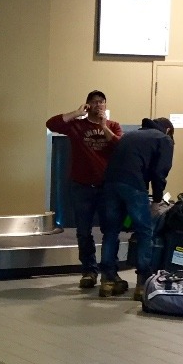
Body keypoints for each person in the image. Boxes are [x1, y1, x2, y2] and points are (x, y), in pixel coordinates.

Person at [46, 91, 122, 289]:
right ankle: (89, 271)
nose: (99, 106)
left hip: (107, 188)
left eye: (102, 102)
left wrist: (104, 127)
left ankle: (109, 271)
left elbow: (120, 147)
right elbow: (51, 124)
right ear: (88, 105)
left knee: (110, 231)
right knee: (83, 231)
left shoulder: (113, 126)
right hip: (81, 187)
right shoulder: (77, 126)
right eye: (95, 102)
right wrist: (76, 113)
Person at [98, 117, 175, 299]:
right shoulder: (164, 139)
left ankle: (107, 281)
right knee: (144, 231)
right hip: (133, 185)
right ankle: (143, 283)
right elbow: (159, 173)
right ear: (169, 131)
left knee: (110, 232)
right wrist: (157, 201)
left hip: (109, 184)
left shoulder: (130, 135)